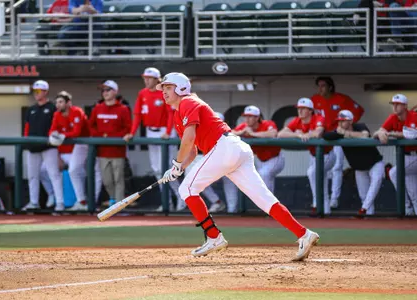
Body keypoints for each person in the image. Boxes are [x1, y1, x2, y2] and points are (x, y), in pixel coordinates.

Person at [157, 72, 319, 260]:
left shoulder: (188, 102)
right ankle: (304, 234)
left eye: (168, 88)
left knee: (187, 189)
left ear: (181, 88)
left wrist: (177, 164)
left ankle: (214, 237)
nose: (164, 92)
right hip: (235, 149)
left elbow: (189, 139)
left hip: (223, 148)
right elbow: (192, 150)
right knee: (264, 200)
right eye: (164, 88)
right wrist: (179, 169)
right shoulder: (179, 113)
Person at [123, 67, 181, 212]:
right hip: (151, 131)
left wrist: (168, 132)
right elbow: (137, 115)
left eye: (149, 78)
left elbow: (170, 114)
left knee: (167, 169)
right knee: (156, 170)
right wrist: (132, 133)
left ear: (157, 80)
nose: (146, 80)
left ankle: (181, 198)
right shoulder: (142, 93)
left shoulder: (164, 92)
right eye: (145, 78)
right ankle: (166, 202)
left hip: (165, 131)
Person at [311, 76, 364, 209]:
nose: (320, 88)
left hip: (337, 136)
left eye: (323, 85)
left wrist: (346, 127)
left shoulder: (342, 99)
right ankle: (319, 200)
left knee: (337, 167)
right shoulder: (315, 99)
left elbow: (358, 110)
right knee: (316, 168)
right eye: (319, 86)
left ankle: (334, 198)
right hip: (322, 137)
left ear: (330, 87)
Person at [277, 98, 335, 215]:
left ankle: (316, 205)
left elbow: (318, 133)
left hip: (327, 154)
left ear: (310, 110)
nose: (300, 111)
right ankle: (325, 209)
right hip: (314, 156)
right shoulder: (297, 121)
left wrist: (307, 134)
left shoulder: (318, 118)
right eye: (299, 108)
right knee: (319, 179)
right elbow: (281, 134)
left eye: (303, 109)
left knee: (312, 173)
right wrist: (298, 134)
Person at [373, 94, 417, 216]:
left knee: (393, 173)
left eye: (398, 104)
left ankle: (406, 207)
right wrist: (380, 133)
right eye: (393, 104)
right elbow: (380, 131)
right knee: (415, 194)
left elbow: (409, 134)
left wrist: (390, 133)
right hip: (407, 158)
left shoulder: (413, 115)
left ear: (405, 106)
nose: (395, 107)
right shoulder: (392, 118)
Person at [323, 110, 384, 217]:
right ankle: (369, 219)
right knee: (363, 197)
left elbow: (365, 135)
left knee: (376, 182)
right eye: (339, 121)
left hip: (375, 163)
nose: (340, 124)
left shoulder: (359, 126)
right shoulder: (339, 133)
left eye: (343, 121)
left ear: (350, 121)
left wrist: (346, 134)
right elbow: (326, 136)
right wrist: (339, 133)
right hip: (359, 168)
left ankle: (363, 210)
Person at [48, 91, 102, 211]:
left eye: (61, 102)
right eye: (57, 102)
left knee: (97, 172)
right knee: (74, 170)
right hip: (80, 145)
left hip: (90, 142)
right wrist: (55, 135)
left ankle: (94, 201)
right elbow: (52, 131)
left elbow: (76, 132)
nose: (58, 105)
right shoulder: (57, 114)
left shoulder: (77, 111)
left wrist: (62, 135)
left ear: (68, 103)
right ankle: (82, 201)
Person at [22, 80, 64, 212]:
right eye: (35, 91)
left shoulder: (52, 108)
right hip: (33, 147)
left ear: (45, 92)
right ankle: (33, 202)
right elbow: (27, 129)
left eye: (39, 91)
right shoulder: (31, 109)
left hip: (49, 146)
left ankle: (60, 203)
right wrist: (26, 142)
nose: (36, 94)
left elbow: (58, 127)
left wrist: (59, 151)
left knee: (54, 174)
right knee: (32, 176)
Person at [89, 80, 131, 206]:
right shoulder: (97, 108)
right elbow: (91, 126)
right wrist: (100, 136)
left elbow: (127, 128)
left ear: (115, 91)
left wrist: (113, 136)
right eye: (103, 90)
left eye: (108, 90)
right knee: (106, 180)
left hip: (118, 151)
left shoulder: (123, 109)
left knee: (118, 179)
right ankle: (113, 200)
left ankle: (118, 205)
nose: (105, 93)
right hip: (103, 151)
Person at [232, 105, 285, 194]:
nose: (247, 119)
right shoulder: (244, 127)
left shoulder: (267, 124)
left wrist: (253, 134)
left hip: (275, 158)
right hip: (260, 159)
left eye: (250, 116)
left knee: (263, 174)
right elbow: (230, 133)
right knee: (265, 179)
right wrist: (241, 132)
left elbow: (273, 133)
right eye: (245, 116)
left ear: (257, 118)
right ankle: (270, 205)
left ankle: (268, 205)